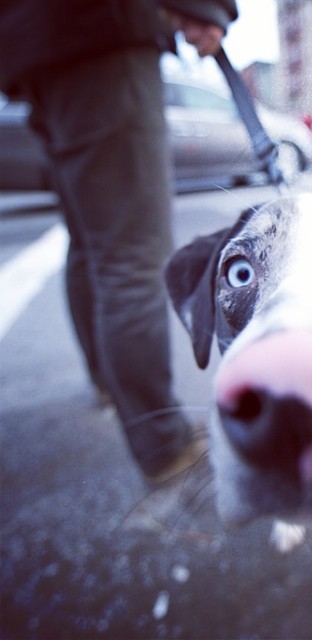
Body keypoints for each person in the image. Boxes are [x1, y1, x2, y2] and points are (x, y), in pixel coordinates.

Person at [0, 0, 238, 482]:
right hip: (101, 34)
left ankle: (108, 384)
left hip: (37, 54)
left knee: (91, 245)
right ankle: (162, 443)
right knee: (132, 259)